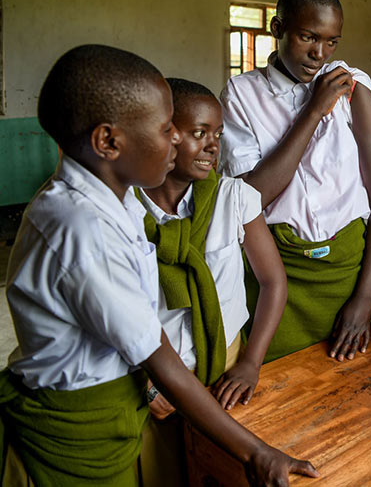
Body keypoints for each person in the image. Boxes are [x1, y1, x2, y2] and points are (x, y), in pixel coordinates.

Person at [0, 45, 318, 486]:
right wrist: (258, 452)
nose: (175, 140)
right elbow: (160, 360)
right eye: (167, 127)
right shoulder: (83, 228)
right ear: (108, 141)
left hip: (115, 411)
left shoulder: (119, 205)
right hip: (76, 429)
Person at [219, 0, 371, 362]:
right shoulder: (241, 95)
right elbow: (251, 197)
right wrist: (314, 110)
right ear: (277, 29)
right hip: (279, 274)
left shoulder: (351, 86)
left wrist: (364, 298)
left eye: (332, 41)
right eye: (308, 37)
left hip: (348, 270)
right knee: (277, 391)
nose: (319, 54)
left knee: (348, 392)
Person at [136, 78, 288, 485]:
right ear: (165, 134)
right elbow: (113, 314)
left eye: (217, 134)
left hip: (224, 371)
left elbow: (273, 282)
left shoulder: (232, 198)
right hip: (153, 384)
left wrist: (251, 363)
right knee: (164, 474)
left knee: (223, 474)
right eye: (199, 133)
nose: (212, 146)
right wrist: (149, 384)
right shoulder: (125, 211)